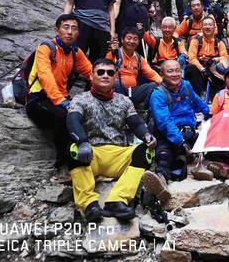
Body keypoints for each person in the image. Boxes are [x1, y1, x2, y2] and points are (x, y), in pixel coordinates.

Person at [66, 58, 162, 222]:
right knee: (73, 149)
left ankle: (117, 200)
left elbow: (136, 123)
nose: (105, 75)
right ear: (91, 76)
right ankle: (89, 205)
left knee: (146, 151)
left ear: (115, 77)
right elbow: (72, 120)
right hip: (91, 154)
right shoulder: (80, 99)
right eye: (100, 72)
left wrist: (147, 136)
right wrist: (82, 141)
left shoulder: (124, 101)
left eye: (110, 73)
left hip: (118, 155)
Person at [26, 14, 92, 170]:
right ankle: (65, 165)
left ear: (78, 33)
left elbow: (93, 73)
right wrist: (60, 101)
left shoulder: (75, 52)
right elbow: (45, 76)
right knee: (64, 117)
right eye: (66, 27)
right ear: (57, 30)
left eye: (74, 28)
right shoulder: (46, 48)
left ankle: (89, 163)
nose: (69, 32)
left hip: (61, 99)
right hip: (38, 99)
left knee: (84, 115)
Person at [150, 59, 210, 185]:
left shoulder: (186, 85)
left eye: (177, 70)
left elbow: (196, 101)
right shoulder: (158, 95)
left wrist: (209, 113)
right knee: (164, 157)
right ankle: (160, 183)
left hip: (189, 132)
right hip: (168, 136)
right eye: (170, 71)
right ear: (162, 74)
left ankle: (186, 159)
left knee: (212, 147)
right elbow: (164, 123)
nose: (175, 74)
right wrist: (180, 142)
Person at [107, 27, 162, 120]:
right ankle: (123, 112)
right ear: (122, 39)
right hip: (116, 91)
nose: (132, 41)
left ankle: (143, 111)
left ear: (138, 42)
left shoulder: (138, 57)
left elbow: (151, 73)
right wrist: (112, 52)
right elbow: (105, 65)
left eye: (135, 39)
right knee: (115, 84)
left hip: (132, 91)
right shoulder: (115, 53)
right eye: (129, 38)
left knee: (154, 85)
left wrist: (163, 83)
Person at [185, 17, 228, 98]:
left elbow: (225, 57)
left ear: (214, 27)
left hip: (213, 67)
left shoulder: (219, 43)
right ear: (202, 27)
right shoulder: (196, 40)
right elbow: (191, 57)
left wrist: (215, 59)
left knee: (223, 68)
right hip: (199, 68)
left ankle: (219, 95)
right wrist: (202, 69)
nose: (207, 27)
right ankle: (200, 94)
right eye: (205, 25)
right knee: (190, 68)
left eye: (210, 25)